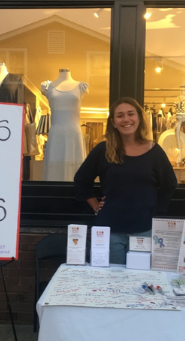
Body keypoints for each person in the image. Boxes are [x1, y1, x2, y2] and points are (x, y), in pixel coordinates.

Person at [74, 97, 178, 264]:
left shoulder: (155, 152)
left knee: (140, 279)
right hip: (109, 230)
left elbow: (170, 184)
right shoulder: (103, 150)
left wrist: (155, 211)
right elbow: (81, 180)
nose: (126, 119)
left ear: (139, 118)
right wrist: (95, 205)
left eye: (131, 114)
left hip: (144, 230)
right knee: (111, 279)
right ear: (114, 122)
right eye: (120, 115)